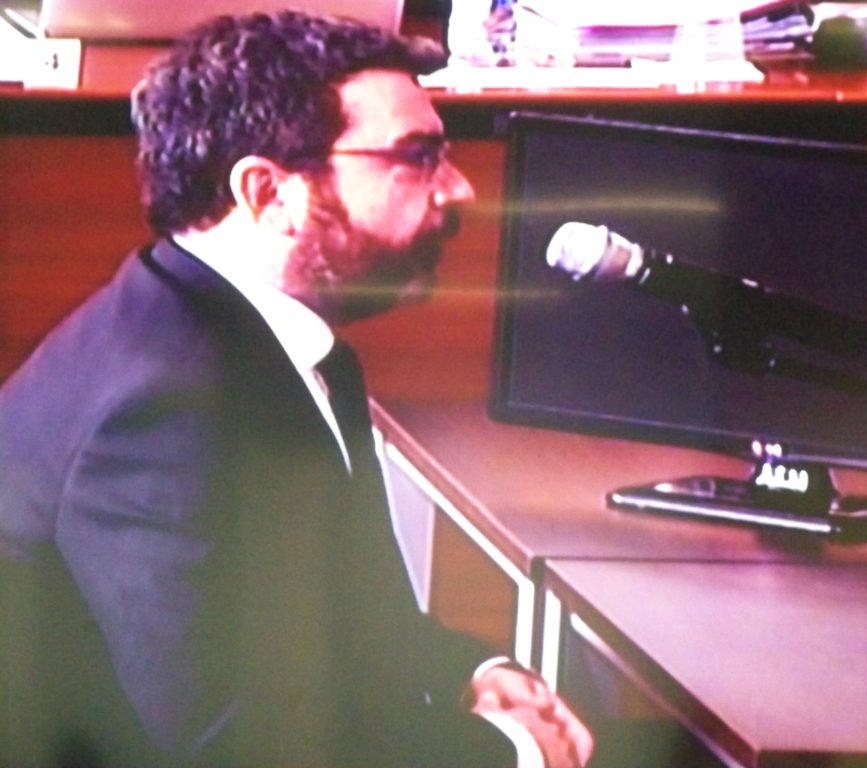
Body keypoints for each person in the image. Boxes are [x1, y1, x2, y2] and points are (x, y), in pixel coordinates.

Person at [0, 11, 593, 768]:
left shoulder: (278, 344)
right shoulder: (165, 411)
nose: (459, 188)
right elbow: (242, 748)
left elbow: (336, 621)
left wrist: (467, 672)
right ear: (267, 192)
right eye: (417, 157)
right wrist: (514, 754)